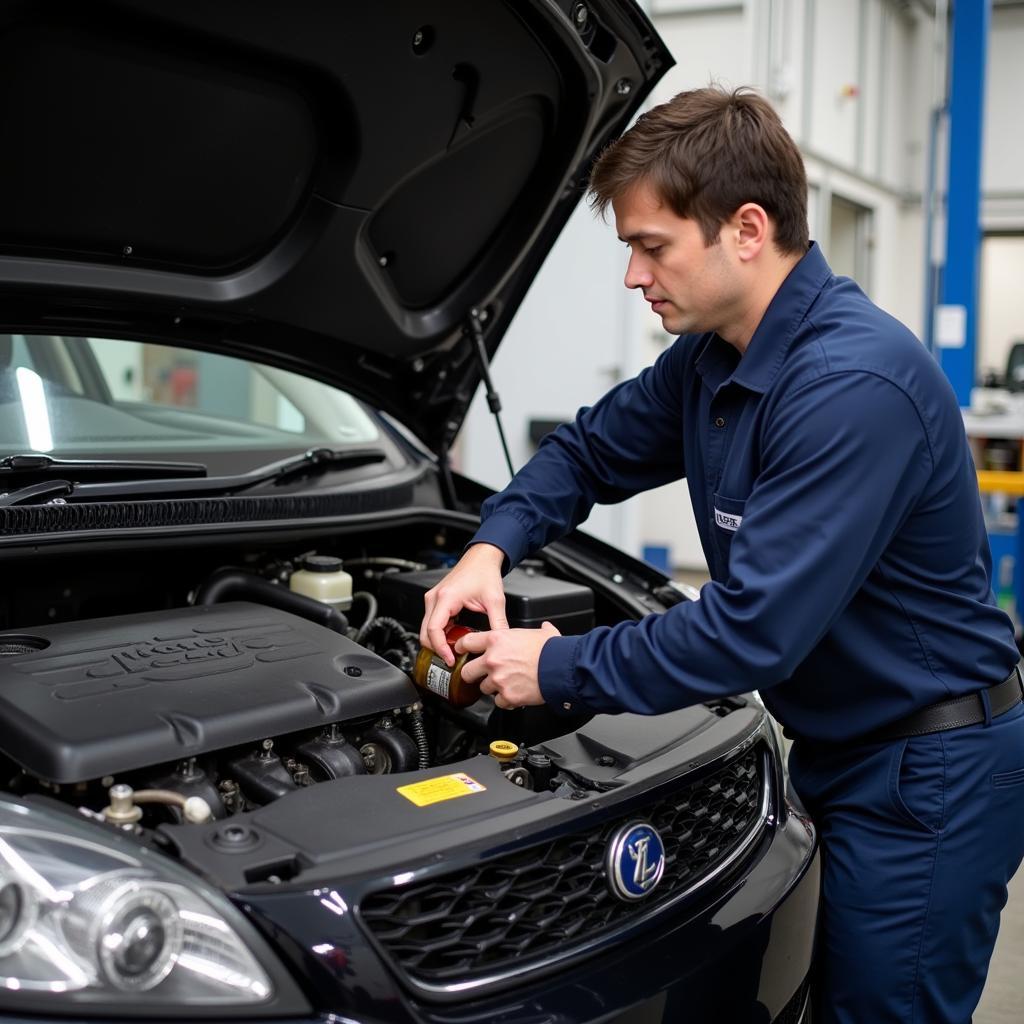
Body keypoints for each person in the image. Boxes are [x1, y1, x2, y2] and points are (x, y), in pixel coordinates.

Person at [419, 86, 1024, 1023]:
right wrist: (488, 552)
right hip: (842, 747)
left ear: (747, 228)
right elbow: (587, 450)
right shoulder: (714, 356)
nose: (633, 275)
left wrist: (556, 667)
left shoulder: (850, 385)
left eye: (650, 245)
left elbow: (751, 635)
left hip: (929, 775)